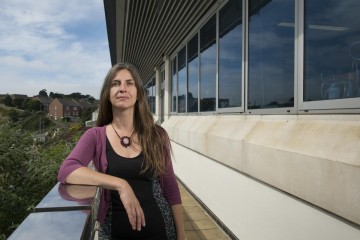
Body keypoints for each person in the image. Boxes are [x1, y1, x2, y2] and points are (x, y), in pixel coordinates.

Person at [57, 63, 186, 240]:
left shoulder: (157, 135)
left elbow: (170, 187)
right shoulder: (95, 136)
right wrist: (121, 184)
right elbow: (67, 170)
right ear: (107, 94)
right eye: (115, 83)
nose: (122, 88)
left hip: (162, 230)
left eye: (129, 83)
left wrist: (182, 234)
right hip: (114, 233)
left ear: (139, 93)